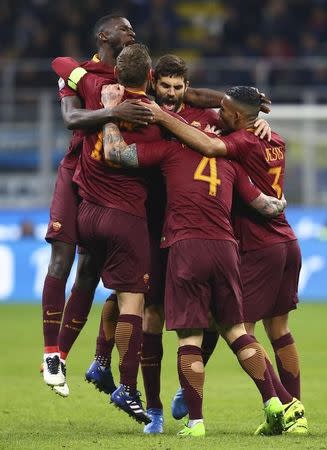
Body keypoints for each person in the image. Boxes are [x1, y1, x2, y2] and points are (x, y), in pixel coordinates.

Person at [96, 82, 302, 437]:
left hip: (185, 248)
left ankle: (196, 423)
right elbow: (264, 204)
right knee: (238, 331)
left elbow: (117, 154)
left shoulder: (170, 151)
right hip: (227, 248)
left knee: (188, 338)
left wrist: (111, 116)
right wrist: (280, 204)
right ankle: (276, 402)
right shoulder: (231, 161)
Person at [52, 43, 167, 425]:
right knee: (134, 300)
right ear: (151, 78)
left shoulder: (95, 93)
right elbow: (125, 155)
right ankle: (128, 387)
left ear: (114, 74)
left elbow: (61, 61)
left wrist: (106, 108)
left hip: (87, 213)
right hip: (126, 218)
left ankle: (77, 357)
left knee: (96, 284)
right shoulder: (156, 119)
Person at [41, 14, 152, 397]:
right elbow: (71, 117)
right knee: (62, 257)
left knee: (88, 270)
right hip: (75, 172)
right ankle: (50, 351)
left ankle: (63, 356)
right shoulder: (81, 74)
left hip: (110, 185)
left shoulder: (136, 76)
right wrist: (113, 113)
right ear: (104, 35)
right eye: (125, 28)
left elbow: (183, 92)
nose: (132, 32)